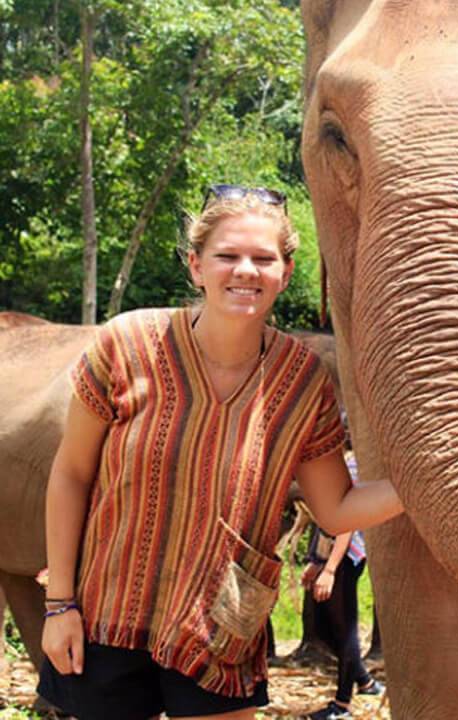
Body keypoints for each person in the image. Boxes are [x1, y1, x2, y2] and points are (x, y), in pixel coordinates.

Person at [38, 184, 403, 720]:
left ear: (285, 270)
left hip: (221, 626)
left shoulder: (302, 381)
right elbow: (70, 474)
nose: (245, 271)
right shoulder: (128, 344)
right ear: (195, 265)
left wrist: (425, 487)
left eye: (263, 258)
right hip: (105, 616)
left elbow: (337, 508)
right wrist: (59, 605)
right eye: (227, 256)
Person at [300, 523, 382, 720]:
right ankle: (365, 681)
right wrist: (317, 560)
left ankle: (341, 705)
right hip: (329, 554)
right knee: (322, 629)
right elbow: (326, 524)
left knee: (345, 630)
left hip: (344, 558)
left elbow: (346, 523)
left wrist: (329, 570)